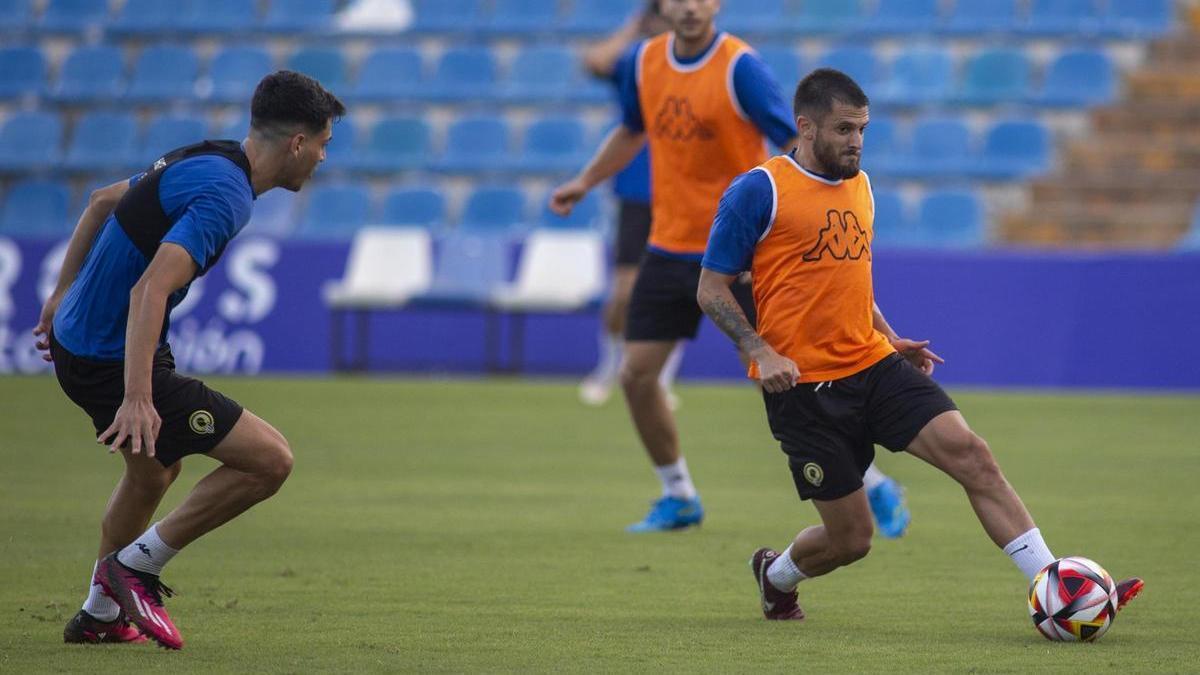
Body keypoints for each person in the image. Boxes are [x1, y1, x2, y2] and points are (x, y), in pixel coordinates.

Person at [696, 67, 1144, 620]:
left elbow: (848, 275)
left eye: (862, 129)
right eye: (843, 130)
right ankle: (777, 573)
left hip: (873, 363)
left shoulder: (861, 184)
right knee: (852, 541)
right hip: (804, 392)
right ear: (805, 127)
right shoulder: (759, 190)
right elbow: (710, 288)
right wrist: (761, 351)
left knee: (974, 456)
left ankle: (1055, 587)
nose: (856, 141)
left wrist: (888, 336)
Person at [36, 71, 346, 649]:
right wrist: (137, 396)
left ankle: (100, 614)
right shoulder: (226, 196)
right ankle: (136, 569)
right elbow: (148, 291)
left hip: (83, 344)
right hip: (110, 358)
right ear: (297, 143)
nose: (324, 159)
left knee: (153, 471)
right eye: (324, 144)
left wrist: (60, 293)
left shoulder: (208, 156)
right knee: (269, 460)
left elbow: (103, 201)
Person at [577, 1, 686, 411]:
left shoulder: (698, 64)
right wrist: (631, 27)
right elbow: (593, 63)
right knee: (624, 292)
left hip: (683, 196)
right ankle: (608, 367)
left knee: (679, 294)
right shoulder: (637, 63)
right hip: (638, 193)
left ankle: (661, 379)